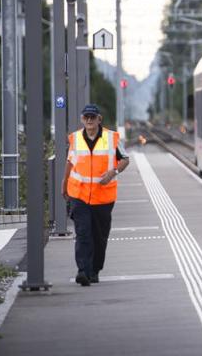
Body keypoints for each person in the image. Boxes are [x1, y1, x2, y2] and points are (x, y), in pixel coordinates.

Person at [61, 104, 129, 286]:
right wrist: (64, 182)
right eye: (86, 117)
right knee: (83, 233)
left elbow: (125, 159)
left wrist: (113, 172)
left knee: (99, 236)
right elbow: (70, 162)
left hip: (103, 197)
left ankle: (95, 270)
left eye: (92, 117)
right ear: (82, 119)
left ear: (99, 119)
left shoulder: (112, 138)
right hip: (79, 195)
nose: (89, 120)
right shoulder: (75, 139)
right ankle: (82, 270)